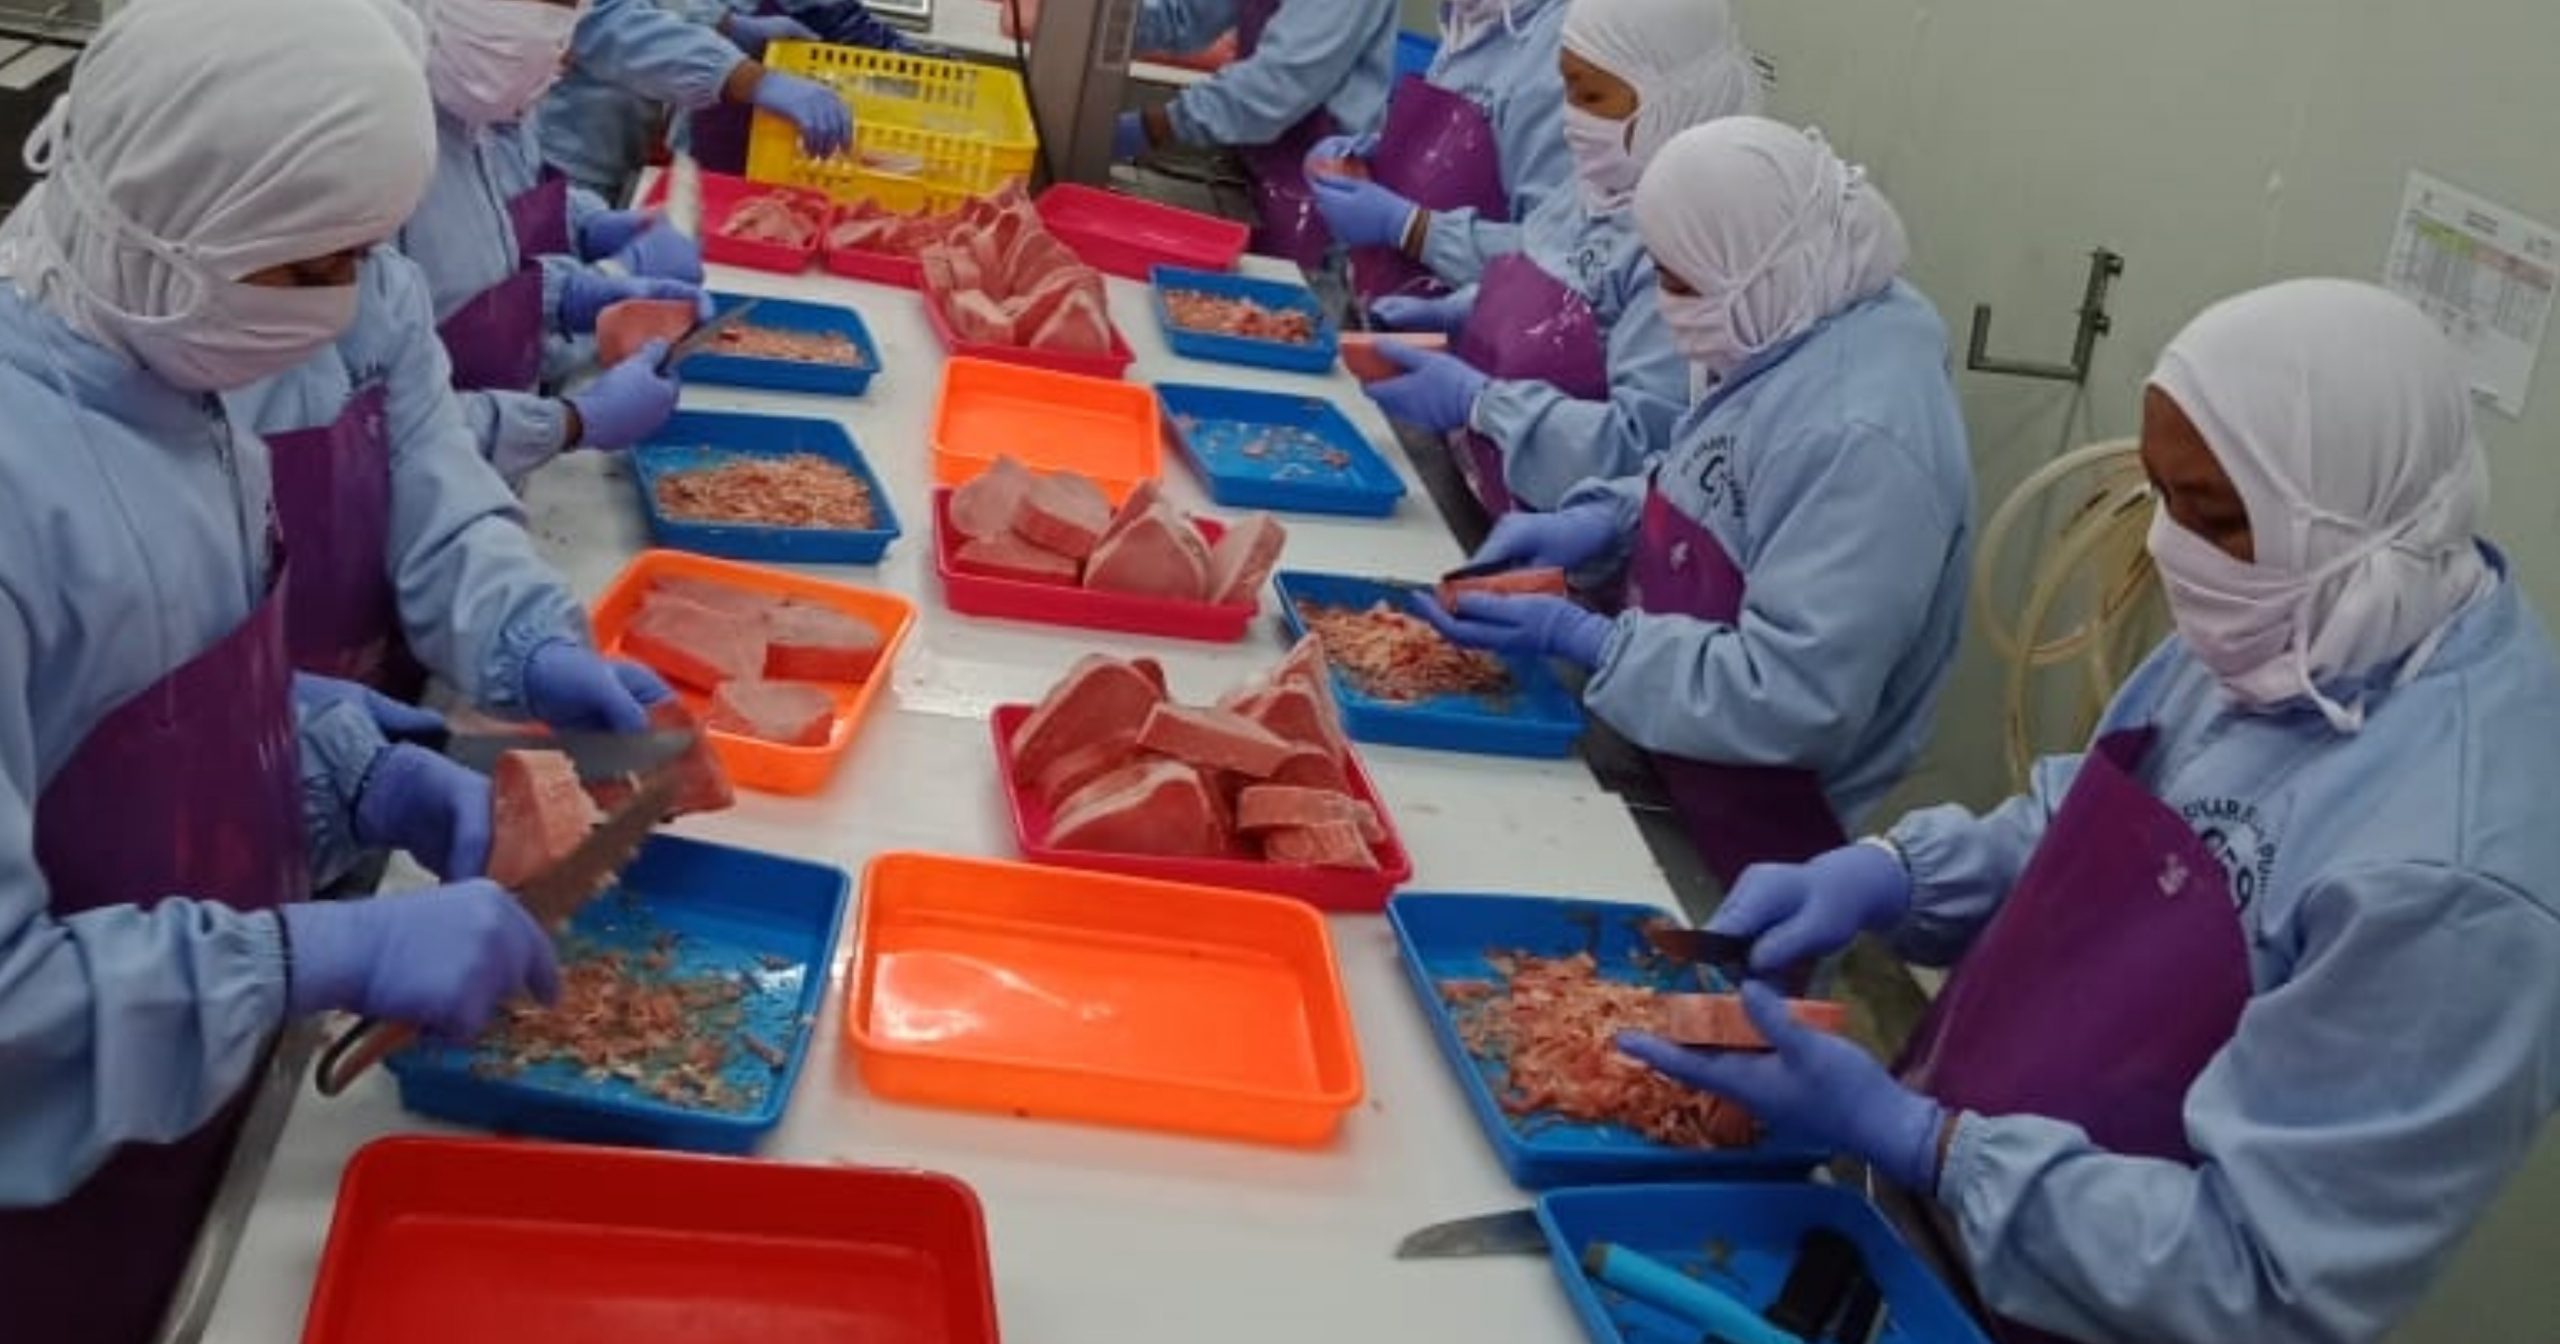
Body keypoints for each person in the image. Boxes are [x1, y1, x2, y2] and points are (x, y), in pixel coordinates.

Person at [1620, 279, 2560, 1344]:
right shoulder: (2297, 614)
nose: (2169, 548)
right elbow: (2095, 823)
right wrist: (1895, 874)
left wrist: (1934, 1146)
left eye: (2213, 515)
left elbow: (2261, 1277)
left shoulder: (2453, 880)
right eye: (2160, 494)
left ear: (2353, 510)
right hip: (1946, 1225)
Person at [0, 4, 563, 1342]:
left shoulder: (176, 397)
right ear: (180, 225)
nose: (352, 306)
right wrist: (309, 953)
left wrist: (333, 763)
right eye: (317, 264)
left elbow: (128, 717)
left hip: (190, 1130)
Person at [1419, 118, 1971, 888]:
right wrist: (1608, 521)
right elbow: (1711, 480)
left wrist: (1594, 641)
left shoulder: (1862, 437)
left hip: (1749, 834)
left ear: (1755, 265)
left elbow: (1796, 696)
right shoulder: (1790, 320)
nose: (1666, 304)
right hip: (1664, 753)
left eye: (1679, 284)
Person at [1358, 0, 1761, 514]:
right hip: (1485, 486)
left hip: (1560, 536)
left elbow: (1640, 447)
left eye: (1592, 96)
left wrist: (1482, 405)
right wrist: (1466, 312)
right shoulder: (1599, 184)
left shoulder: (1695, 244)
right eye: (1567, 91)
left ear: (1673, 94)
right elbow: (1544, 266)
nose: (1572, 119)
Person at [390, 0, 701, 484]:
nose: (561, 47)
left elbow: (501, 217)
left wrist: (572, 279)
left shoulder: (480, 103)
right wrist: (566, 422)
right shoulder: (384, 138)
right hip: (434, 477)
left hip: (479, 461)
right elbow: (381, 432)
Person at [1302, 0, 1572, 307]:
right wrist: (1372, 159)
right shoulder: (1472, 18)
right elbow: (1463, 156)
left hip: (1482, 326)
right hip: (1388, 304)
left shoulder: (1557, 55)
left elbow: (1555, 261)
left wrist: (1415, 229)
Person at [1112, 0, 1399, 269]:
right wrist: (1102, 19)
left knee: (1276, 297)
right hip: (1254, 163)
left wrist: (1149, 128)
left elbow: (1277, 86)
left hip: (1317, 197)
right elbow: (1183, 13)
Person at [540, 0, 854, 201]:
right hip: (565, 150)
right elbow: (608, 22)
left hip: (613, 141)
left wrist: (725, 23)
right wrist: (748, 77)